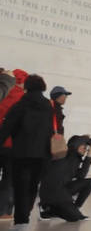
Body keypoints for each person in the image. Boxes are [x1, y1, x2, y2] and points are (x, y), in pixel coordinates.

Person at [0, 74, 53, 227]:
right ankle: (25, 214)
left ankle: (21, 222)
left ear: (27, 87)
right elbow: (50, 130)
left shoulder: (20, 105)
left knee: (20, 187)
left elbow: (7, 128)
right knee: (32, 186)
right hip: (42, 155)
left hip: (21, 153)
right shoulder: (48, 106)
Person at [38, 135, 91, 222]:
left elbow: (81, 175)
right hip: (53, 192)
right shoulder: (65, 155)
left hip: (63, 189)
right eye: (84, 147)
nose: (86, 150)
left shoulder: (75, 158)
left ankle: (54, 209)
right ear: (76, 145)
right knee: (74, 217)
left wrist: (88, 156)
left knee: (89, 182)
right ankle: (46, 207)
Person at [0, 69, 27, 220]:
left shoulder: (2, 91)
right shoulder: (23, 98)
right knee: (9, 178)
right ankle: (3, 211)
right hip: (12, 145)